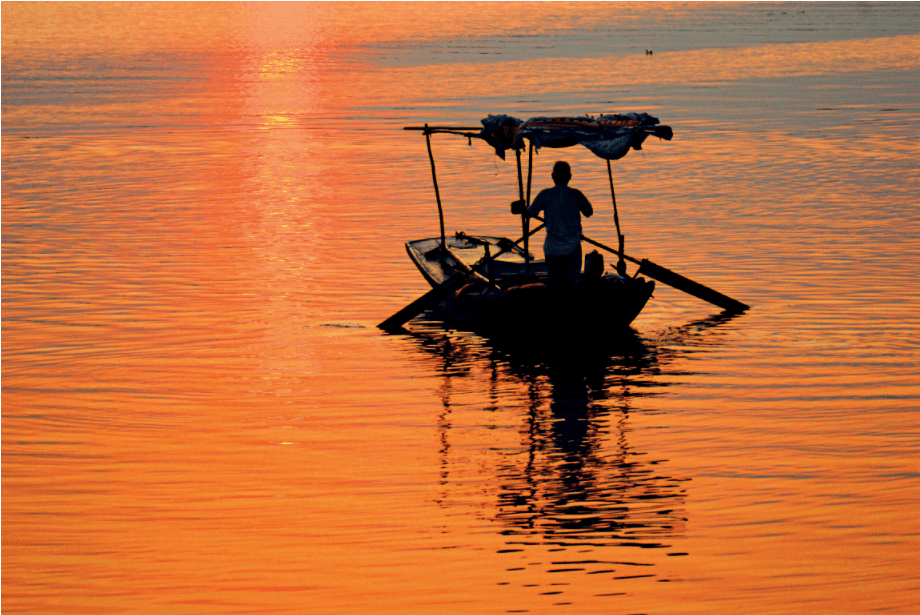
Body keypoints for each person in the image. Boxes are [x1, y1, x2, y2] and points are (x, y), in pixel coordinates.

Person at [526, 161, 593, 286]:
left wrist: (524, 208)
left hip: (552, 250)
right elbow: (589, 212)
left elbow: (530, 213)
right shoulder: (576, 194)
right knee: (571, 284)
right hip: (572, 248)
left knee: (555, 285)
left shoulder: (544, 194)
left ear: (552, 176)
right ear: (569, 177)